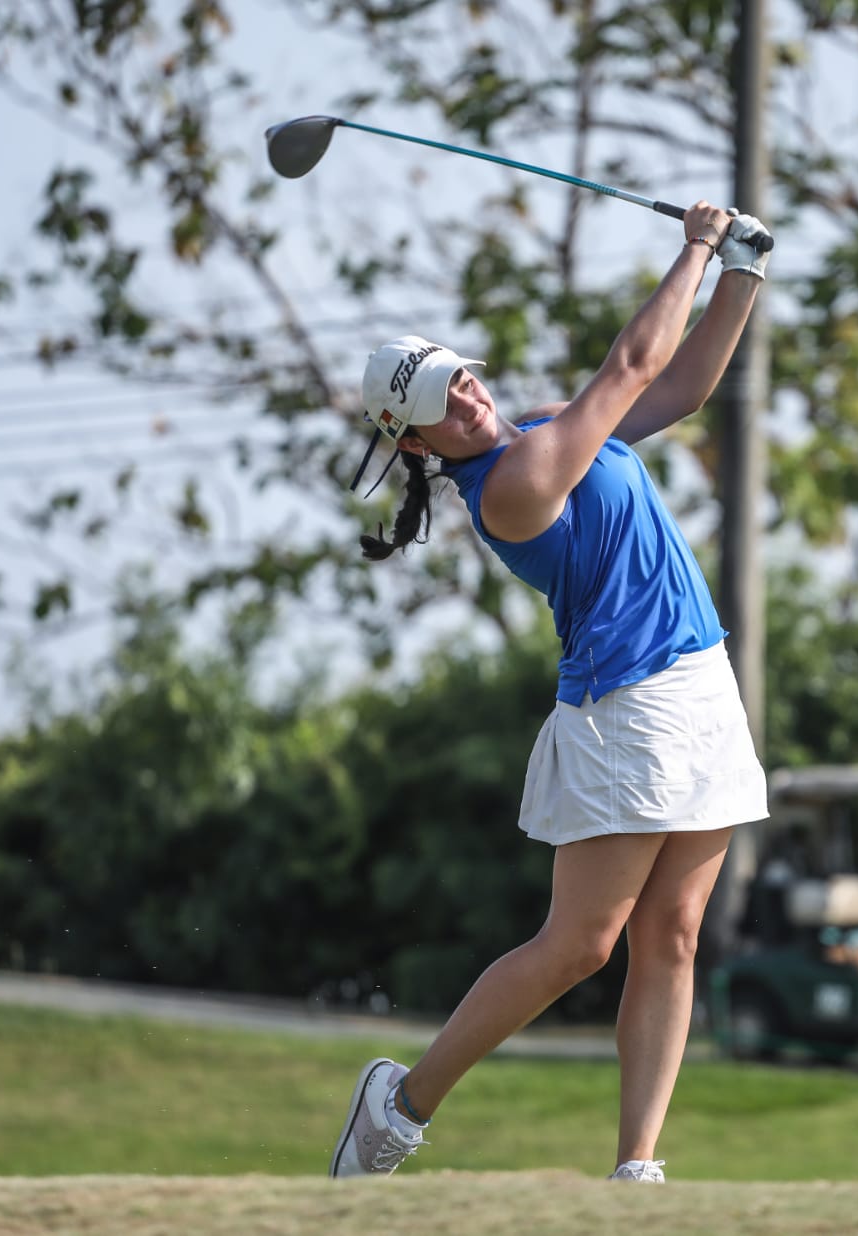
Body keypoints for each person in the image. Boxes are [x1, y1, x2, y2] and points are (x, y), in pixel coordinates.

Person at [328, 201, 774, 1183]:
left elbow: (685, 389)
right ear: (414, 445)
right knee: (581, 945)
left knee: (675, 937)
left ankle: (638, 1170)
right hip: (624, 711)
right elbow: (633, 370)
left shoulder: (547, 430)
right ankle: (397, 1107)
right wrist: (697, 244)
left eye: (463, 377)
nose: (468, 399)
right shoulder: (513, 483)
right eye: (443, 404)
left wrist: (742, 272)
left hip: (702, 689)